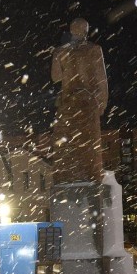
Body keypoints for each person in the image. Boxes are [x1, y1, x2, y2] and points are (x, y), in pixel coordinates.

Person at [50, 17, 109, 185]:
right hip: (88, 104)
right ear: (85, 31)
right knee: (90, 148)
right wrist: (101, 103)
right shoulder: (94, 50)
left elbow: (55, 77)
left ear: (71, 31)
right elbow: (101, 79)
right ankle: (92, 179)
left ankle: (67, 179)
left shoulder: (60, 51)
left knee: (66, 147)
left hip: (67, 104)